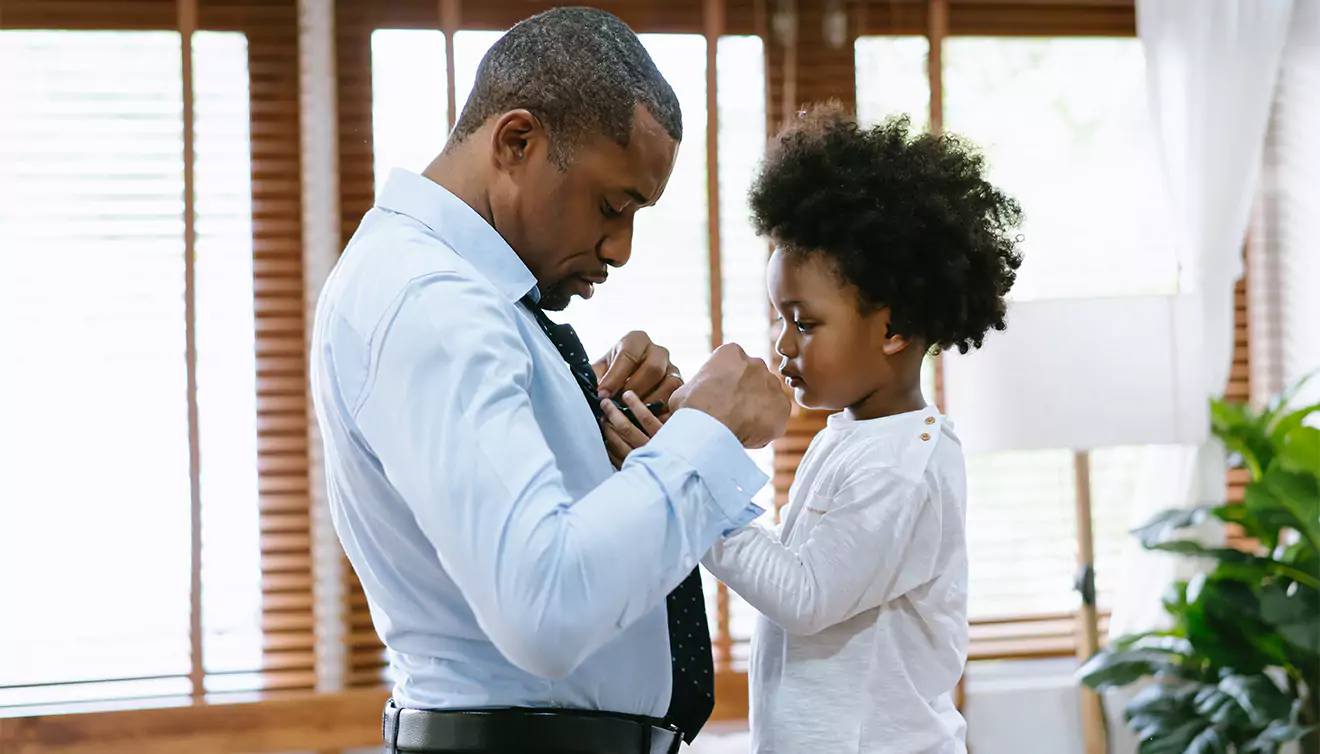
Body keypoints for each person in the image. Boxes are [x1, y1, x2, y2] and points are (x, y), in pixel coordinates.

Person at [309, 8, 790, 754]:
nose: (622, 249)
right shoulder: (434, 302)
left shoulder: (466, 298)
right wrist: (708, 435)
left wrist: (597, 425)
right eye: (612, 206)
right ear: (517, 141)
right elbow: (546, 608)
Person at [702, 106, 1023, 753]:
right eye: (779, 318)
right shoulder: (854, 437)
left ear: (894, 326)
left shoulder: (901, 466)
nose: (781, 343)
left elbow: (805, 593)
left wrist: (695, 485)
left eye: (805, 322)